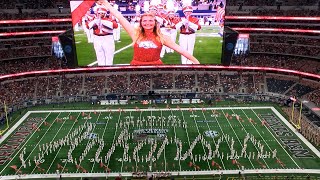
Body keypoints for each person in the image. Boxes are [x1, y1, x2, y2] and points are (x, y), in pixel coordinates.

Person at [98, 0, 200, 65]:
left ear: (155, 23)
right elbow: (120, 17)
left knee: (154, 95)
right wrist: (106, 4)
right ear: (141, 23)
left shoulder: (162, 37)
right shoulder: (135, 34)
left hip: (155, 67)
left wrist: (195, 61)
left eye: (150, 21)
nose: (148, 23)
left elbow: (181, 50)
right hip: (136, 67)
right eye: (145, 21)